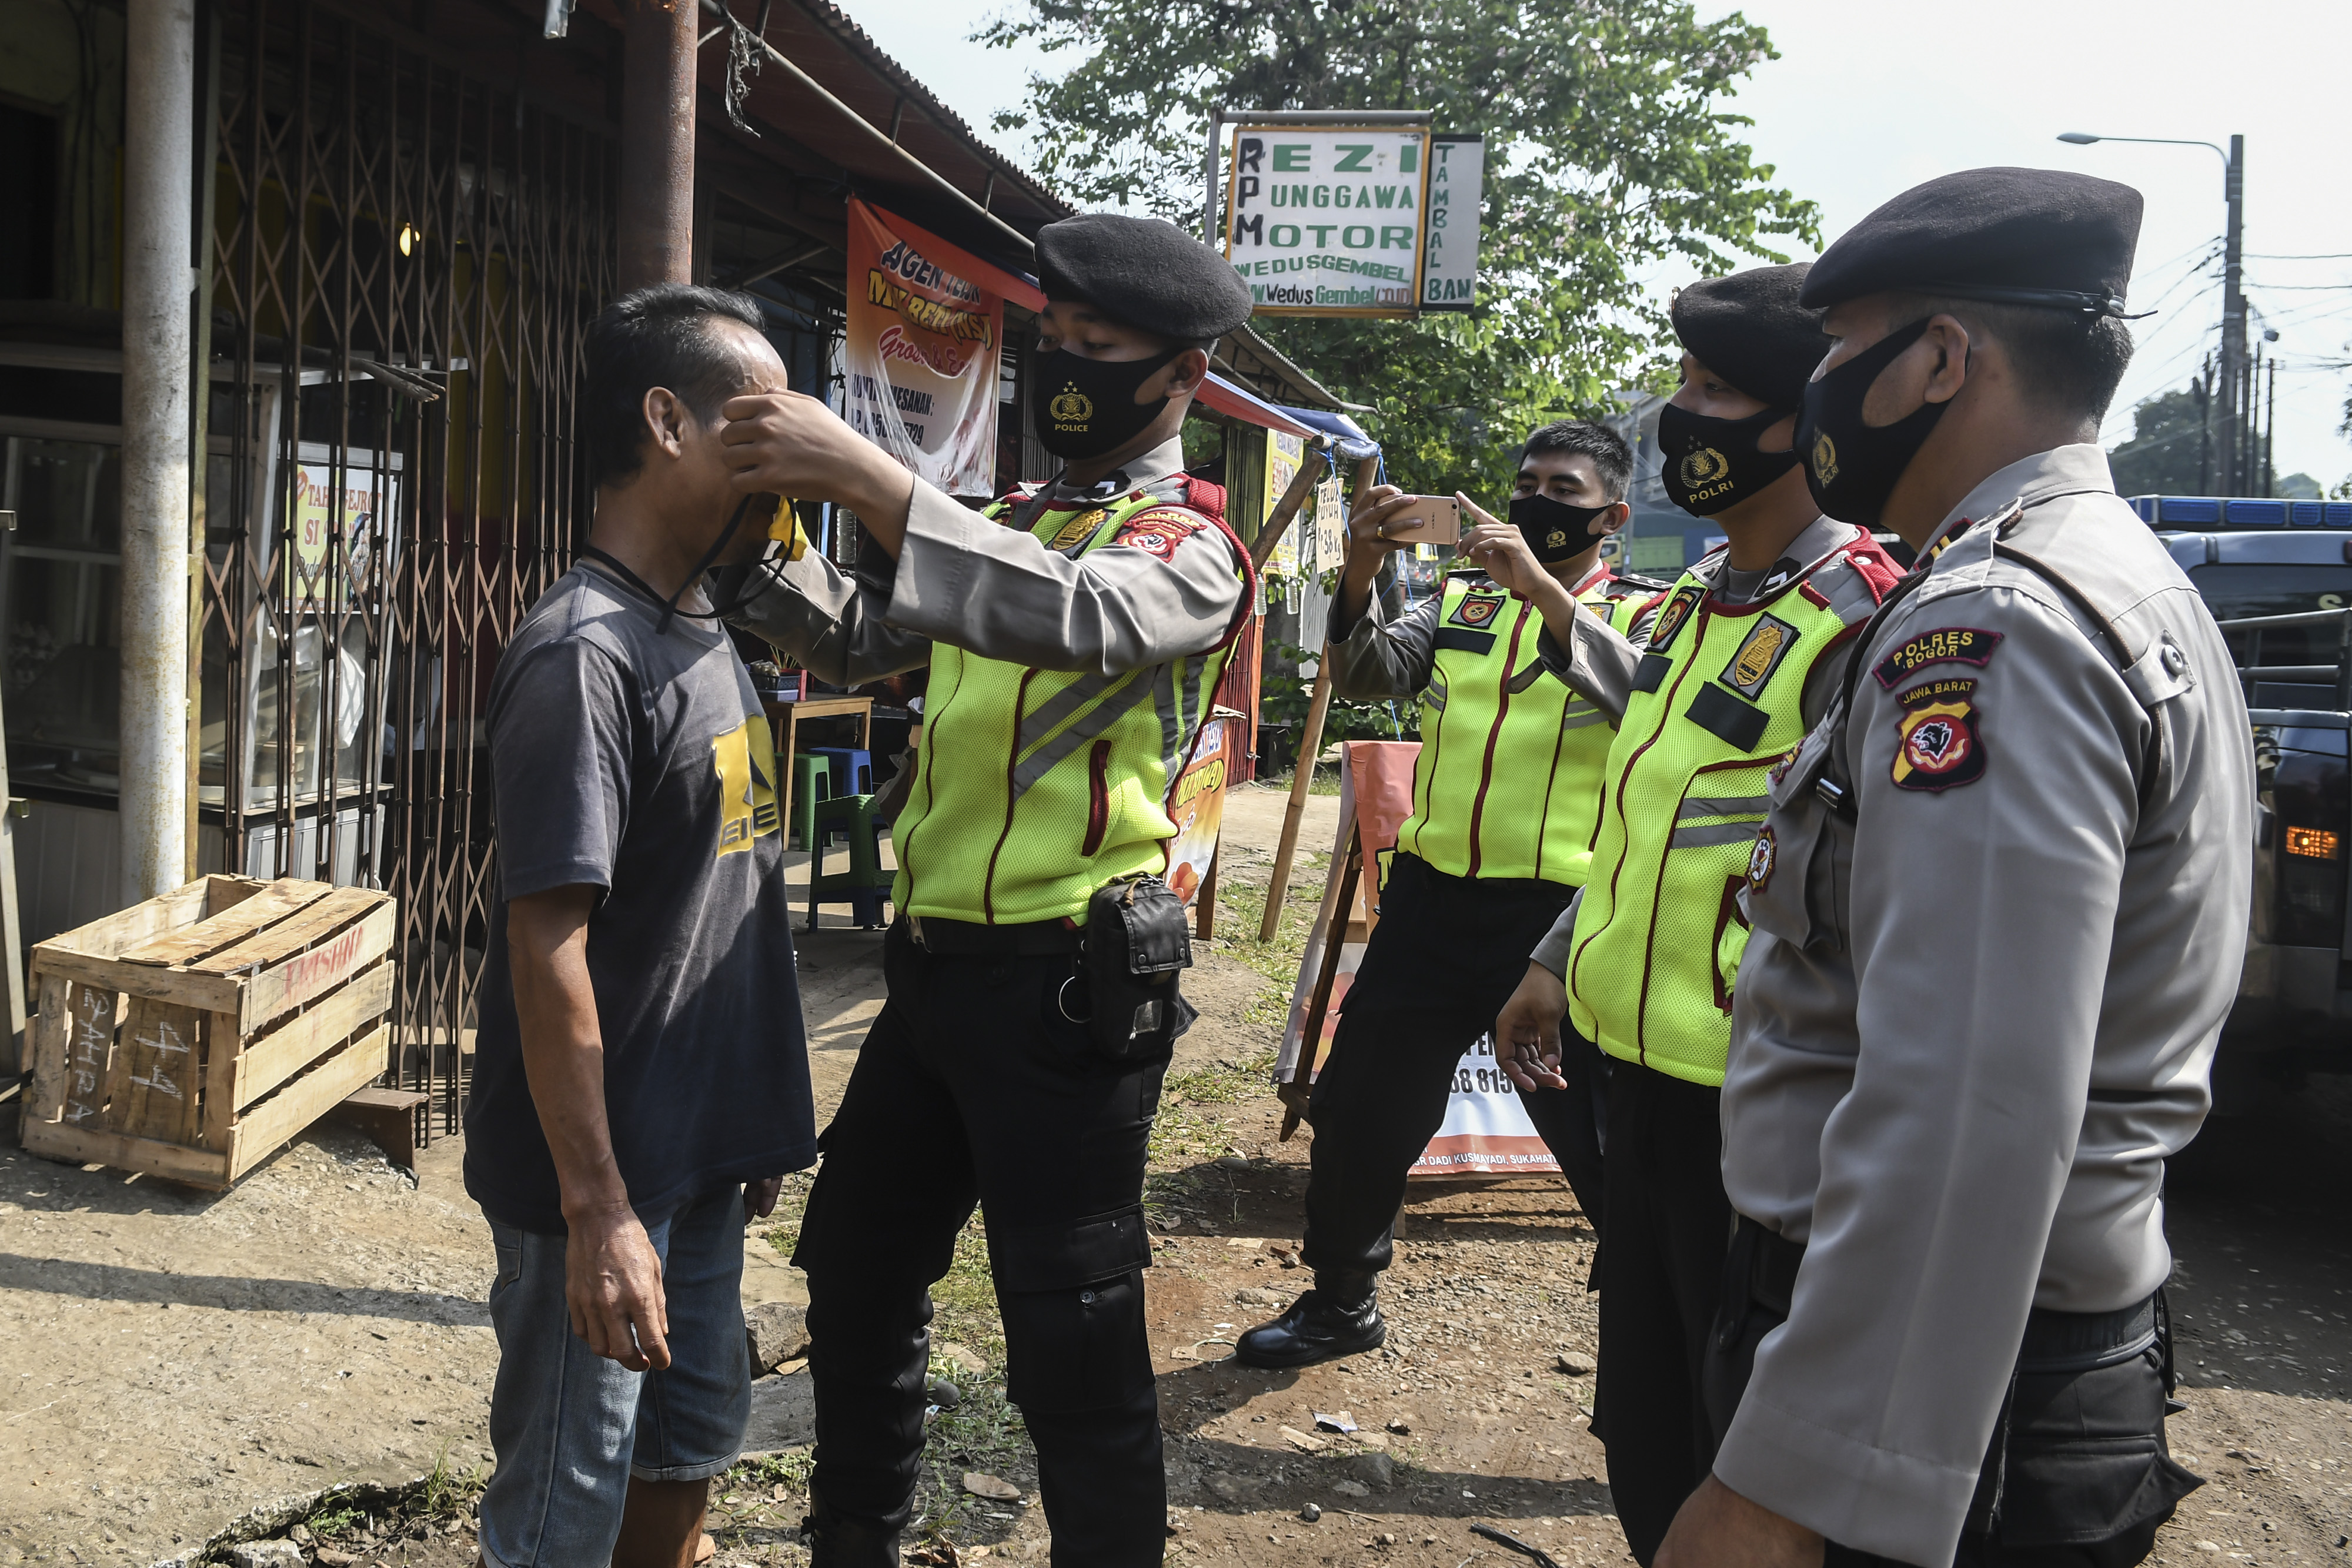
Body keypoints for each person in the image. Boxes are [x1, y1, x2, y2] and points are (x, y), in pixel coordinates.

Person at [1655, 168, 2250, 1568]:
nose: (1817, 389)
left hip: (1944, 1380)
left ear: (1937, 358)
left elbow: (1965, 1096)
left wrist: (1788, 1483)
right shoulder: (2102, 576)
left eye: (1837, 348)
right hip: (1980, 1353)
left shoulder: (1996, 626)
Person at [710, 212, 1257, 1567]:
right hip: (935, 969)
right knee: (856, 1271)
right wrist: (748, 550)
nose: (1060, 364)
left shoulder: (1186, 548)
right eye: (1050, 337)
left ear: (1181, 375)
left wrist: (877, 479)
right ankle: (856, 1535)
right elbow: (862, 639)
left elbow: (1076, 613)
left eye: (1095, 343)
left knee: (1070, 1332)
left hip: (1065, 988)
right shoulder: (1008, 519)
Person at [1490, 263, 1902, 1565]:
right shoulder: (1692, 600)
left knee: (1745, 1438)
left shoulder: (1866, 619)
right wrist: (1554, 959)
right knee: (1645, 1417)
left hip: (1759, 1104)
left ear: (1800, 419)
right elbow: (1645, 813)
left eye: (1715, 390)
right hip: (1635, 1079)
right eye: (1683, 384)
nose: (1682, 416)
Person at [463, 284, 818, 1568]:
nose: (790, 444)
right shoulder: (584, 655)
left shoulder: (706, 623)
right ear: (667, 422)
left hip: (701, 1156)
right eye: (759, 416)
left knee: (683, 1457)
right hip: (604, 1182)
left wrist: (747, 1117)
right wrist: (600, 1212)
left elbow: (721, 894)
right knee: (562, 1515)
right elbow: (546, 945)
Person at [1231, 420, 1662, 1370]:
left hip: (1559, 925)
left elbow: (1650, 704)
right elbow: (1366, 672)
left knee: (1604, 1142)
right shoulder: (1464, 601)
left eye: (1565, 489)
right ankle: (1341, 1301)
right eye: (1527, 483)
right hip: (1431, 905)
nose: (1538, 502)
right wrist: (1361, 568)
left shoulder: (1646, 616)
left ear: (1613, 517)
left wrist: (1545, 593)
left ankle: (1663, 1345)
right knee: (1360, 1112)